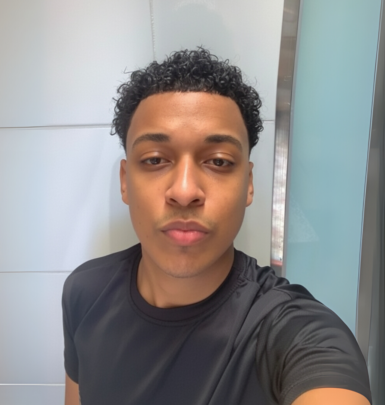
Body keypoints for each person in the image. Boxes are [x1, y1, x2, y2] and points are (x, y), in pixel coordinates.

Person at [62, 48, 372, 405]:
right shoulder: (85, 293)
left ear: (249, 185)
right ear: (125, 182)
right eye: (155, 159)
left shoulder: (297, 333)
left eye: (219, 161)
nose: (184, 192)